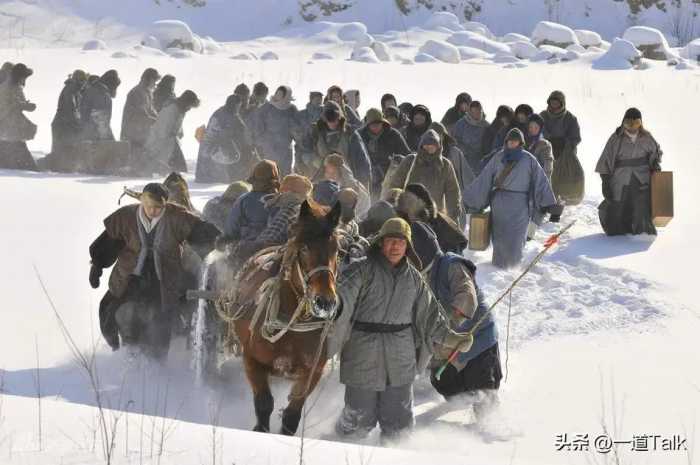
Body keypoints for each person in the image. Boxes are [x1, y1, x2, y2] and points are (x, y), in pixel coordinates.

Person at [332, 217, 471, 440]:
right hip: (362, 354)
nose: (395, 246)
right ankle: (337, 452)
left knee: (399, 423)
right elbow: (341, 300)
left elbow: (430, 316)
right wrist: (331, 305)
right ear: (380, 243)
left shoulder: (415, 278)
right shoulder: (360, 270)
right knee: (358, 418)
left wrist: (452, 338)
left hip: (401, 357)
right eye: (390, 240)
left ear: (407, 246)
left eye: (401, 241)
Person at [88, 183, 219, 357]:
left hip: (163, 279)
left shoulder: (178, 217)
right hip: (130, 276)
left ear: (165, 205)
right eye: (149, 206)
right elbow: (109, 242)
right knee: (108, 310)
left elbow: (202, 234)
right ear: (142, 201)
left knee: (159, 318)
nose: (152, 211)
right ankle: (118, 351)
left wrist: (219, 243)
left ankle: (156, 362)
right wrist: (97, 265)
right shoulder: (126, 217)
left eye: (158, 208)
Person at [412, 231, 501, 416]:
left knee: (482, 386)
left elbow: (466, 296)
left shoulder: (451, 265)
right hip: (448, 345)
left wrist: (450, 325)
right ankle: (464, 400)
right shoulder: (418, 277)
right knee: (444, 383)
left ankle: (490, 426)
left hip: (477, 337)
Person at [463, 128, 557, 268]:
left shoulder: (528, 159)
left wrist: (548, 203)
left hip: (520, 205)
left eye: (515, 141)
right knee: (500, 237)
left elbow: (540, 180)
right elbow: (485, 178)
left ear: (521, 143)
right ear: (506, 142)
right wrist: (469, 199)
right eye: (510, 141)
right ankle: (499, 267)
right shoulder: (498, 158)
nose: (512, 143)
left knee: (517, 237)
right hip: (499, 203)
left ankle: (514, 268)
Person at [595, 107, 662, 236]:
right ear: (623, 122)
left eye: (635, 123)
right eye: (628, 123)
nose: (632, 127)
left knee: (641, 207)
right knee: (617, 209)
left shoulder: (647, 137)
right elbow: (605, 160)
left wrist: (655, 164)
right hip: (620, 179)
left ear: (640, 123)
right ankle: (618, 234)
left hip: (642, 178)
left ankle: (643, 234)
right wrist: (605, 182)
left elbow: (656, 153)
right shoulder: (616, 138)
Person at [389, 129, 462, 225]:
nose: (429, 147)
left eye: (433, 145)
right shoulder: (410, 161)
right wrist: (392, 208)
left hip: (435, 217)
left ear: (438, 146)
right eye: (426, 144)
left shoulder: (445, 166)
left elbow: (453, 193)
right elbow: (395, 185)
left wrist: (453, 217)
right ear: (421, 145)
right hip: (408, 215)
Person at [235, 174, 313, 260]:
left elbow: (271, 236)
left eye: (282, 187)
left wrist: (248, 246)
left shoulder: (291, 207)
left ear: (287, 190)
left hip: (276, 253)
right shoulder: (303, 208)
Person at [299, 101, 371, 187]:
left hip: (346, 180)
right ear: (324, 119)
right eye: (329, 119)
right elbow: (303, 152)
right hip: (321, 178)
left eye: (335, 118)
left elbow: (362, 161)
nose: (332, 122)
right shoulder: (315, 132)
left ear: (340, 117)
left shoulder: (350, 134)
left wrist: (362, 184)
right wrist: (315, 161)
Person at [195, 94, 257, 184]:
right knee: (219, 175)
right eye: (237, 106)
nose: (238, 108)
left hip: (227, 143)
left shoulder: (234, 114)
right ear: (231, 104)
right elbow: (211, 135)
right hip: (214, 146)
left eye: (239, 106)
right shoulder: (219, 115)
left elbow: (242, 128)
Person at [139, 90, 200, 176]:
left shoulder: (180, 110)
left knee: (174, 168)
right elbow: (162, 131)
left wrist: (179, 134)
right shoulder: (171, 109)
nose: (189, 109)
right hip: (159, 142)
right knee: (154, 166)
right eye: (189, 106)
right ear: (185, 102)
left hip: (169, 142)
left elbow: (177, 127)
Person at [396, 184, 468, 254]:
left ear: (422, 202)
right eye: (404, 201)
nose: (406, 205)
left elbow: (455, 249)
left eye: (409, 201)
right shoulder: (401, 222)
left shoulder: (439, 222)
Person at [358, 108, 411, 200]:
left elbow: (406, 155)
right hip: (366, 177)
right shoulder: (359, 136)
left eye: (378, 123)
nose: (376, 126)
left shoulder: (393, 134)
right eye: (373, 124)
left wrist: (395, 162)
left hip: (388, 177)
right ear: (368, 125)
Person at [223, 159, 281, 241]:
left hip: (246, 246)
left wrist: (225, 240)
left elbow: (231, 228)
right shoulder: (283, 200)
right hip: (275, 246)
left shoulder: (244, 200)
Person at [43, 70, 88, 171]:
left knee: (61, 151)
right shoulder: (70, 90)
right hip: (62, 125)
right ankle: (42, 165)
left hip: (64, 124)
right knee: (60, 152)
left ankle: (48, 166)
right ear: (78, 80)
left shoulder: (74, 90)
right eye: (82, 81)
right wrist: (79, 124)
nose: (84, 84)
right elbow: (70, 109)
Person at [251, 85, 301, 175]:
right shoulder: (266, 108)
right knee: (271, 170)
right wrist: (262, 140)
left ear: (287, 96)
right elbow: (258, 126)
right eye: (277, 93)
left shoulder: (292, 109)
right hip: (270, 145)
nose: (278, 96)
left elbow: (297, 126)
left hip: (285, 146)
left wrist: (296, 134)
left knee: (285, 171)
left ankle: (284, 188)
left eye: (281, 94)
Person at [0, 63, 39, 171]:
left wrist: (24, 105)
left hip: (10, 127)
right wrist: (24, 105)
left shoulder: (14, 86)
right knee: (19, 152)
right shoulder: (9, 87)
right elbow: (6, 106)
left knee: (10, 149)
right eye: (24, 77)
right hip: (8, 125)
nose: (25, 80)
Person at [121, 68, 161, 161]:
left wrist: (158, 119)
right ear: (150, 79)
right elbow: (140, 114)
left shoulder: (147, 92)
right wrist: (153, 120)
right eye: (154, 80)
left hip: (142, 132)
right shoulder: (137, 92)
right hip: (133, 132)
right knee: (134, 160)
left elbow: (151, 110)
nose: (155, 84)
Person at [450, 100, 489, 177]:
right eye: (474, 111)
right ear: (470, 112)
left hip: (481, 161)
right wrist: (465, 151)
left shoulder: (486, 126)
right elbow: (453, 141)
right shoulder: (460, 124)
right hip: (464, 159)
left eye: (479, 111)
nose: (477, 113)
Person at [80, 69, 121, 141]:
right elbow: (100, 121)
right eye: (115, 86)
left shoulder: (93, 90)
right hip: (94, 138)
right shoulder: (102, 94)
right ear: (111, 84)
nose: (115, 90)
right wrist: (111, 141)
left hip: (86, 136)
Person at [526, 114, 554, 180]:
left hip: (539, 180)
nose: (532, 130)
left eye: (536, 127)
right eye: (530, 127)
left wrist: (541, 182)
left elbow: (548, 166)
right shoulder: (524, 142)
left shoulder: (545, 145)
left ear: (540, 128)